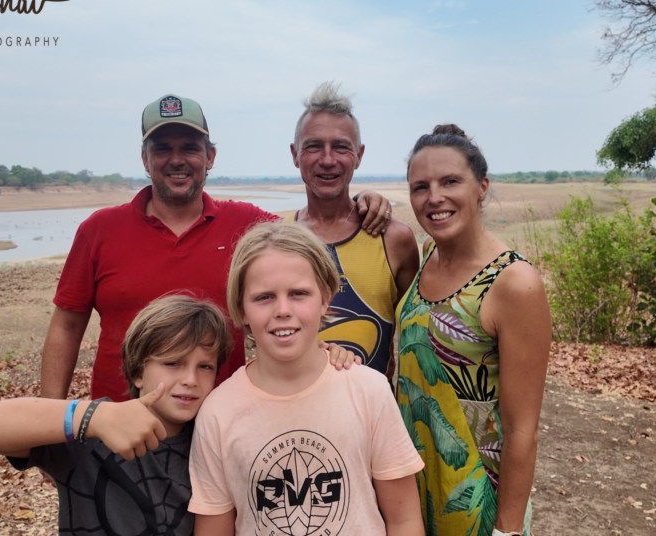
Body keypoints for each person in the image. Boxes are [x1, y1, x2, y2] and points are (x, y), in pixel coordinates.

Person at [39, 94, 391, 402]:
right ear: (145, 159)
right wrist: (49, 420)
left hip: (220, 419)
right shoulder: (99, 229)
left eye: (190, 148)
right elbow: (67, 326)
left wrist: (359, 202)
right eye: (162, 149)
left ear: (210, 156)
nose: (177, 159)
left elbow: (313, 233)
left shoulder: (246, 224)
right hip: (117, 425)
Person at [188, 222, 425, 536]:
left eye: (299, 294)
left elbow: (404, 520)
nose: (283, 310)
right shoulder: (218, 412)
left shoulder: (368, 390)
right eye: (263, 298)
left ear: (325, 298)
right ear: (241, 308)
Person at [0, 294, 233, 536]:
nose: (190, 379)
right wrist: (92, 417)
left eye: (205, 367)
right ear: (138, 372)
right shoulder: (93, 432)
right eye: (172, 363)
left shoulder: (213, 441)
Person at [396, 124, 551, 536]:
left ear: (481, 186)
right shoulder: (427, 255)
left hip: (476, 501)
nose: (434, 198)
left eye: (450, 181)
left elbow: (522, 430)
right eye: (420, 187)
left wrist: (506, 530)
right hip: (412, 488)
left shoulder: (514, 283)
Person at [291, 82, 419, 376]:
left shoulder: (393, 238)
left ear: (359, 155)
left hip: (372, 412)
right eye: (313, 146)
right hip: (293, 414)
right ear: (295, 154)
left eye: (340, 147)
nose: (327, 159)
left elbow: (415, 333)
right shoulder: (278, 237)